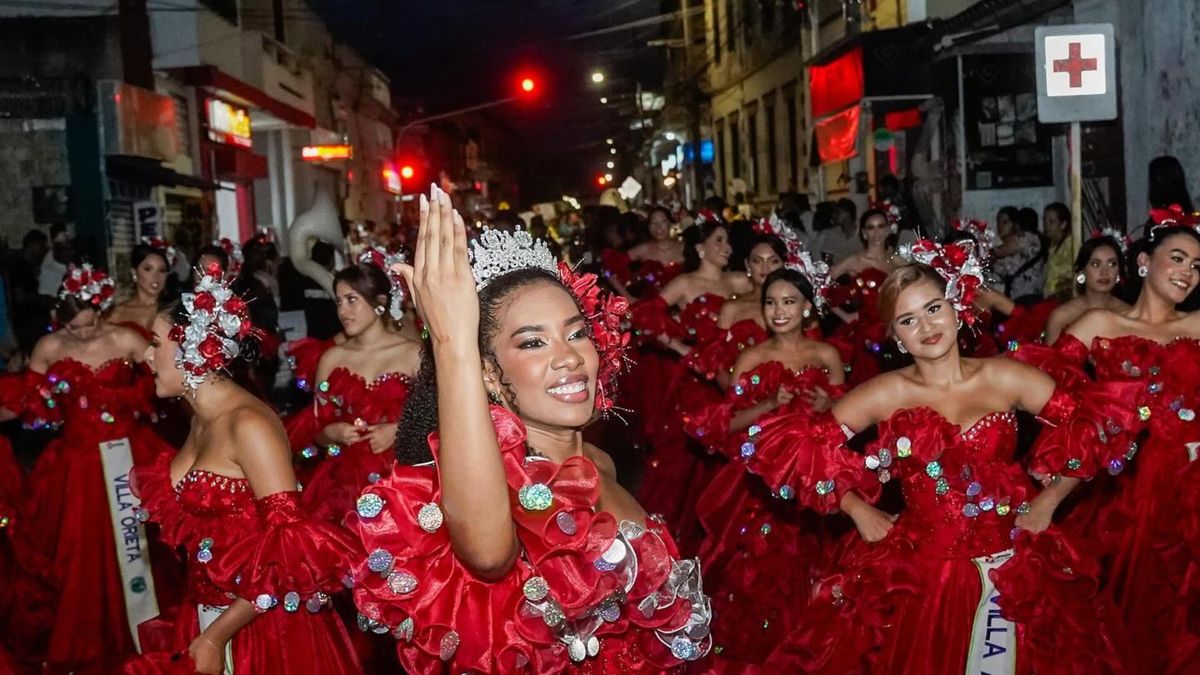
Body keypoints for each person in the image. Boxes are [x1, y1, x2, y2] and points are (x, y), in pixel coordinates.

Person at [347, 185, 712, 672]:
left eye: (577, 332)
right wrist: (452, 341)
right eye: (533, 342)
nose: (567, 356)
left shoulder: (598, 461)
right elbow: (488, 557)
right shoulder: (498, 484)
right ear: (489, 374)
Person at [742, 249, 1138, 673]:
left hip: (1017, 561)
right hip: (923, 574)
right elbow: (788, 448)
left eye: (933, 308)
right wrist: (858, 510)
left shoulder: (1005, 376)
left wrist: (1050, 498)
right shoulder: (885, 393)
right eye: (908, 320)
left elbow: (1101, 423)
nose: (926, 326)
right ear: (895, 335)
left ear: (957, 308)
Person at [127, 263, 362, 674]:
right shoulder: (199, 419)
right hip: (204, 615)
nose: (146, 355)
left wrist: (217, 635)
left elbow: (289, 552)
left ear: (191, 349)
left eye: (154, 342)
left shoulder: (249, 425)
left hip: (263, 631)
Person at [1022, 211, 1200, 672]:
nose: (1188, 272)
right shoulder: (1099, 322)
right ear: (1143, 262)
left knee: (1183, 619)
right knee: (1113, 619)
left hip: (1190, 496)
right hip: (1116, 492)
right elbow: (1045, 391)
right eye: (1177, 258)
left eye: (1197, 266)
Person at [0, 264, 177, 673]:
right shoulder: (48, 346)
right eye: (71, 328)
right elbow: (24, 400)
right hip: (75, 467)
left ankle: (147, 627)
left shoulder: (127, 338)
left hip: (131, 455)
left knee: (146, 543)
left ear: (100, 311)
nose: (79, 335)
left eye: (86, 326)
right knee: (76, 553)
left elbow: (167, 377)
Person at [687, 265, 845, 668]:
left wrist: (831, 407)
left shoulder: (827, 355)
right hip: (762, 491)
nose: (779, 311)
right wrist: (769, 404)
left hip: (817, 481)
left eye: (789, 302)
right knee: (761, 582)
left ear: (807, 307)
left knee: (819, 575)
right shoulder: (751, 358)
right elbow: (725, 425)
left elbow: (847, 427)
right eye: (771, 302)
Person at [295, 252, 421, 522]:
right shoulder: (331, 358)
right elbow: (316, 430)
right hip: (343, 490)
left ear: (380, 303)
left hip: (403, 483)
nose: (343, 311)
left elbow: (443, 419)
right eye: (339, 301)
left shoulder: (413, 354)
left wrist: (399, 430)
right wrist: (333, 433)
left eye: (352, 300)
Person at [1043, 234, 1129, 344]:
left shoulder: (1128, 314)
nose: (1104, 272)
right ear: (1082, 271)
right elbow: (1049, 359)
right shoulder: (1061, 317)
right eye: (1095, 264)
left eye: (1112, 264)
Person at [109, 241, 173, 338]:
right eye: (148, 269)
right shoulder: (118, 312)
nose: (156, 276)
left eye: (162, 270)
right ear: (134, 273)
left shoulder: (173, 310)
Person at [993, 205, 1044, 301]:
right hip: (1017, 298)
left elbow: (1000, 252)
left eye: (1004, 222)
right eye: (998, 222)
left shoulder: (1029, 238)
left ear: (1015, 224)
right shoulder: (1018, 250)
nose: (999, 226)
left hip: (1029, 299)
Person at [1042, 202, 1074, 300]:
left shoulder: (1070, 244)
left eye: (1051, 221)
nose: (1046, 226)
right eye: (1045, 221)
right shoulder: (1052, 246)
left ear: (1063, 224)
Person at [815, 198, 860, 264]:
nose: (833, 215)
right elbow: (827, 259)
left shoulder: (863, 234)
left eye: (838, 212)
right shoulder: (831, 234)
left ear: (848, 213)